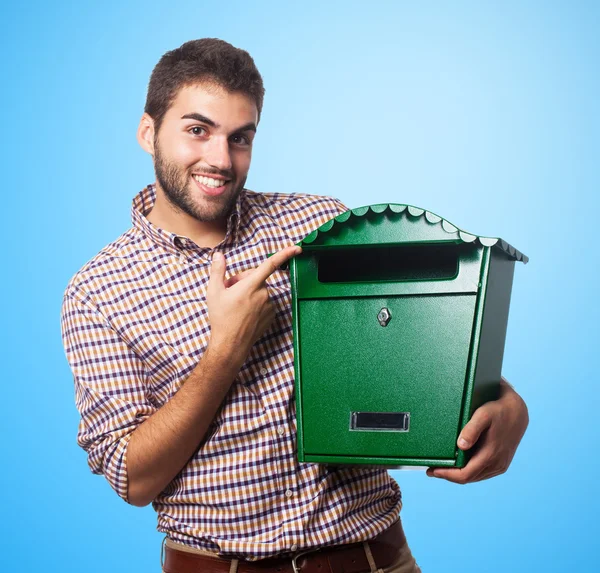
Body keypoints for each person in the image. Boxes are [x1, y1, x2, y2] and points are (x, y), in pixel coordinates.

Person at [60, 38, 529, 573]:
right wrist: (224, 352)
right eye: (198, 130)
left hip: (374, 558)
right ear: (148, 132)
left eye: (240, 138)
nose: (220, 158)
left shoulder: (319, 226)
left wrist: (506, 402)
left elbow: (414, 340)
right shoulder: (97, 292)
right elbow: (132, 477)